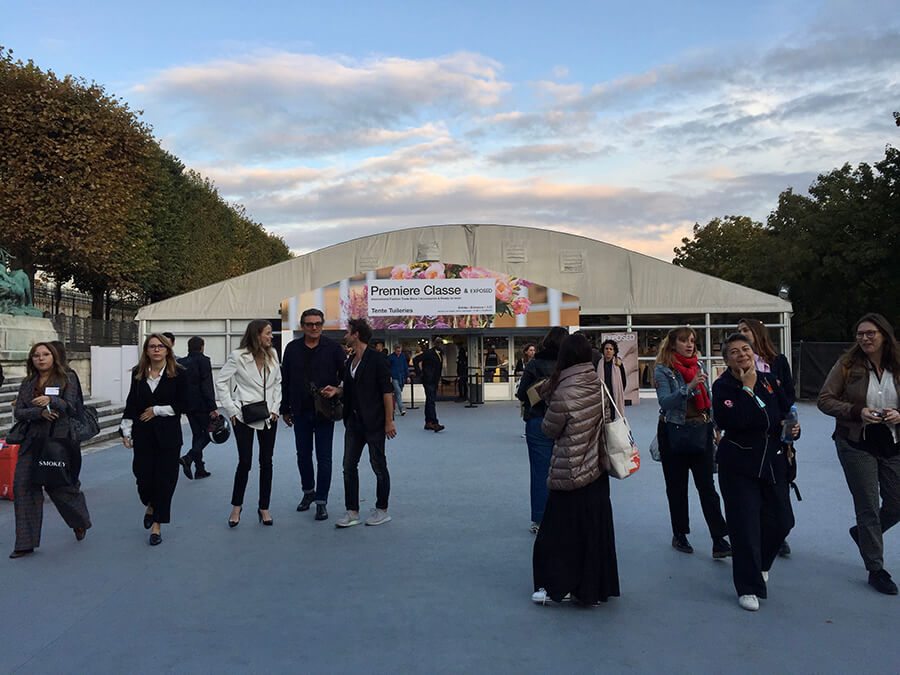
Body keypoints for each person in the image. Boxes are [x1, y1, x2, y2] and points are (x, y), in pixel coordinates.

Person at [531, 333, 619, 606]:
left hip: (569, 468)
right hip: (597, 466)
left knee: (556, 532)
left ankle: (556, 583)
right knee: (594, 530)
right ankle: (594, 588)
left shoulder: (562, 389)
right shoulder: (598, 384)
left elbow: (549, 429)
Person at [713, 333, 798, 611]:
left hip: (773, 463)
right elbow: (733, 420)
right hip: (738, 465)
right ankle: (748, 586)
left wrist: (793, 429)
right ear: (726, 359)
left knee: (783, 520)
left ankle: (760, 563)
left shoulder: (770, 381)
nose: (742, 355)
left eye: (746, 349)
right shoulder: (723, 387)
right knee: (744, 527)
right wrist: (747, 389)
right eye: (734, 352)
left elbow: (786, 412)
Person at [818, 313, 900, 596]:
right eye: (860, 334)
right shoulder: (847, 364)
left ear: (884, 334)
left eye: (871, 333)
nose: (865, 338)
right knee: (867, 506)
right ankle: (876, 568)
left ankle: (863, 535)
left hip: (891, 441)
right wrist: (857, 411)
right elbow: (825, 400)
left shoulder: (897, 364)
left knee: (896, 503)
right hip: (855, 442)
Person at [654, 326, 731, 558]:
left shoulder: (699, 365)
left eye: (692, 341)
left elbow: (708, 399)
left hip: (701, 430)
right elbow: (665, 402)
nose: (690, 345)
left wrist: (716, 427)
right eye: (684, 341)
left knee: (707, 487)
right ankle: (680, 534)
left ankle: (719, 539)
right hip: (674, 432)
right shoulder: (662, 370)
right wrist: (688, 387)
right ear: (672, 344)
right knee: (677, 487)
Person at [9, 342, 91, 558]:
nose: (41, 358)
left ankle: (79, 521)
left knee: (59, 488)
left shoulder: (67, 378)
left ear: (54, 356)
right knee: (23, 487)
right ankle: (25, 543)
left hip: (57, 441)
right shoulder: (28, 382)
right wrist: (39, 413)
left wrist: (51, 401)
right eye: (36, 355)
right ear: (31, 360)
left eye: (45, 354)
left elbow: (71, 406)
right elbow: (19, 412)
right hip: (31, 442)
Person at [280, 308, 346, 521]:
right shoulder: (292, 349)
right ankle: (308, 491)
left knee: (324, 457)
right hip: (300, 410)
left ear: (323, 324)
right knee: (303, 456)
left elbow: (347, 378)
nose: (314, 327)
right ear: (303, 326)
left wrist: (338, 390)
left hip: (325, 411)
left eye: (318, 323)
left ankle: (321, 501)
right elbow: (285, 380)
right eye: (309, 324)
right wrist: (284, 408)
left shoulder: (334, 348)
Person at [329, 318, 396, 528]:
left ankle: (382, 510)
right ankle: (352, 512)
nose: (345, 335)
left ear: (356, 334)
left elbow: (387, 392)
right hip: (353, 423)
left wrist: (389, 421)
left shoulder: (377, 359)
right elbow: (350, 389)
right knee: (348, 466)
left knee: (378, 465)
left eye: (348, 331)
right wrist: (336, 390)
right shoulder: (350, 361)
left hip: (374, 422)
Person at [737, 318, 796, 557]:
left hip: (778, 435)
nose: (741, 334)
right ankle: (760, 534)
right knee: (754, 490)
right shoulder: (737, 365)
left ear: (758, 333)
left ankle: (778, 534)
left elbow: (789, 398)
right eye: (738, 331)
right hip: (750, 436)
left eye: (745, 330)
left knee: (780, 487)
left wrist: (787, 428)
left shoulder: (777, 361)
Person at [120, 334, 186, 546]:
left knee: (165, 481)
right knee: (143, 478)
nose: (156, 350)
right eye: (152, 346)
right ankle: (150, 504)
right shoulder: (137, 374)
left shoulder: (180, 373)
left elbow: (185, 403)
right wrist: (126, 429)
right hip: (143, 435)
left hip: (169, 437)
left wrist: (157, 410)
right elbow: (132, 402)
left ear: (168, 350)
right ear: (146, 350)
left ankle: (157, 525)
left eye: (160, 346)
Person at [216, 320, 282, 528]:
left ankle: (264, 507)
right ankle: (237, 507)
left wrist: (275, 408)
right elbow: (221, 382)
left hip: (268, 417)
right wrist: (231, 409)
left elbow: (278, 383)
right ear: (257, 335)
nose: (271, 337)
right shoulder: (238, 356)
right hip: (244, 416)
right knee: (245, 462)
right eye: (268, 333)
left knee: (267, 462)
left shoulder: (273, 354)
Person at [516, 326, 567, 534]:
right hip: (565, 420)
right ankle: (564, 516)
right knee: (567, 470)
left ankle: (539, 519)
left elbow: (521, 394)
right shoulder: (568, 366)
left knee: (539, 471)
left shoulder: (534, 364)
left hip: (538, 420)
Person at [177, 336, 218, 480]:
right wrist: (212, 406)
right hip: (202, 404)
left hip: (188, 405)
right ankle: (189, 457)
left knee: (197, 434)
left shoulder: (181, 362)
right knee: (209, 433)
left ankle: (199, 469)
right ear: (202, 347)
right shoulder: (204, 361)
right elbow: (207, 384)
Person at [413, 339, 444, 432]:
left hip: (434, 380)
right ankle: (435, 423)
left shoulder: (441, 353)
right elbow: (415, 360)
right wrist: (420, 373)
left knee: (430, 401)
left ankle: (428, 422)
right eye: (438, 343)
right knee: (431, 401)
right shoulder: (429, 352)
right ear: (435, 344)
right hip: (427, 380)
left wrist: (439, 379)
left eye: (441, 343)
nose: (439, 344)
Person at [598, 339, 627, 420]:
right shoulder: (599, 364)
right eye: (606, 348)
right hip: (603, 396)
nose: (608, 351)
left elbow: (623, 380)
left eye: (611, 349)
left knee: (614, 418)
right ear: (603, 350)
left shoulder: (618, 364)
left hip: (614, 396)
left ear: (614, 351)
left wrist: (618, 391)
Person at [388, 345, 410, 416]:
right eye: (398, 351)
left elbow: (405, 366)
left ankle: (392, 408)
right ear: (394, 350)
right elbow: (387, 367)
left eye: (400, 351)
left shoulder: (402, 356)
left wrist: (408, 376)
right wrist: (389, 376)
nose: (399, 352)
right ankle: (401, 409)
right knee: (398, 392)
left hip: (401, 377)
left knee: (398, 393)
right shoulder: (391, 357)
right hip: (394, 377)